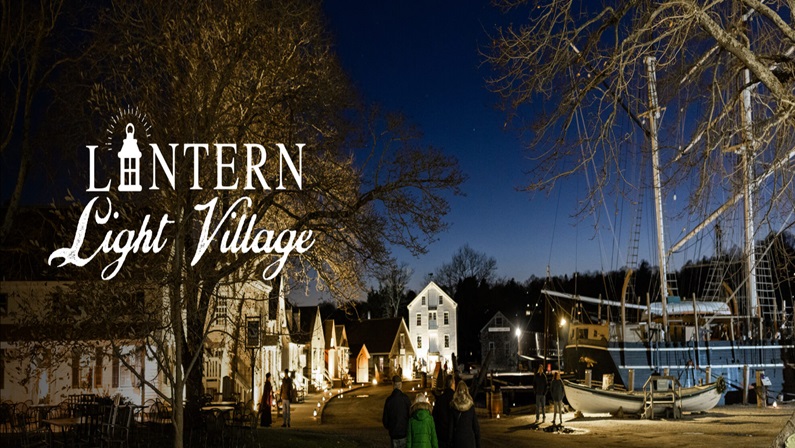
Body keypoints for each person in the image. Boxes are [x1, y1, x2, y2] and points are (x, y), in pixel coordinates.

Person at [383, 375, 412, 448]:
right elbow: (411, 415)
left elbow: (385, 419)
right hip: (404, 433)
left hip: (394, 434)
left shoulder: (389, 400)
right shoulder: (405, 399)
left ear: (393, 384)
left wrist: (390, 427)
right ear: (401, 385)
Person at [449, 381, 480, 448]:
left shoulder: (453, 406)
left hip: (458, 440)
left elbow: (451, 427)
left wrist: (450, 442)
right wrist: (478, 444)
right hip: (469, 440)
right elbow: (476, 427)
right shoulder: (470, 406)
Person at [432, 376, 455, 448]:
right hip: (453, 434)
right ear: (452, 384)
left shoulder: (440, 399)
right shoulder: (455, 399)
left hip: (441, 433)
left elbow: (434, 417)